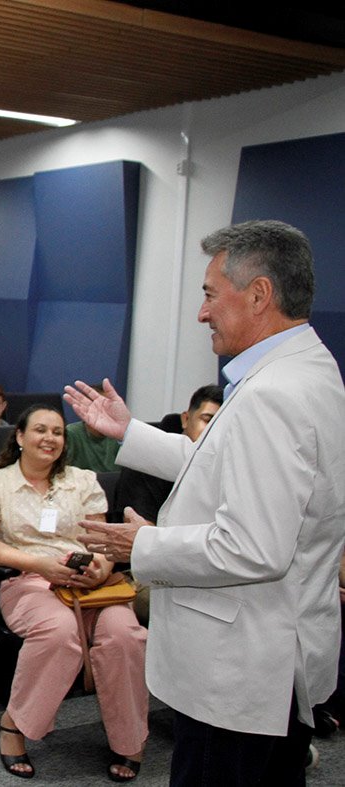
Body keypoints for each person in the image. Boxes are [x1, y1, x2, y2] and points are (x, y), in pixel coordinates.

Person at [65, 220, 345, 785]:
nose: (202, 313)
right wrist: (131, 433)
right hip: (271, 660)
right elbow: (229, 468)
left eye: (210, 294)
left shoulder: (272, 394)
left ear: (259, 294)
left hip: (238, 673)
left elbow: (253, 548)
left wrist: (143, 545)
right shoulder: (306, 370)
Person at [0, 404, 147, 780]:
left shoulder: (82, 481)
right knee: (59, 632)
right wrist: (40, 565)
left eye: (58, 432)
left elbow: (102, 541)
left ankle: (129, 737)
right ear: (20, 436)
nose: (50, 438)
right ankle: (14, 724)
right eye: (40, 430)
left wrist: (100, 569)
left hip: (89, 586)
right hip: (28, 581)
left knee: (125, 635)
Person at [113, 385, 222, 524]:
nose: (213, 431)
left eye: (220, 426)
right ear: (186, 419)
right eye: (207, 420)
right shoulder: (148, 458)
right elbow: (137, 529)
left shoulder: (222, 464)